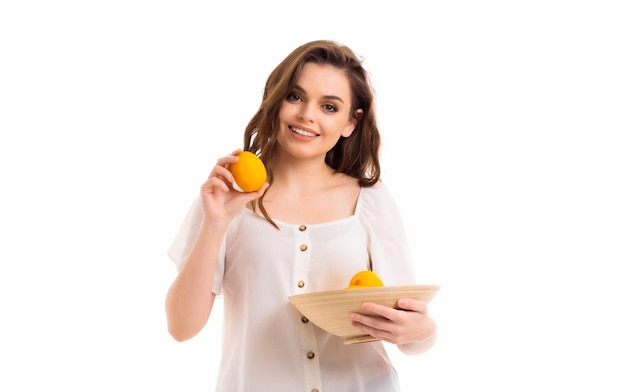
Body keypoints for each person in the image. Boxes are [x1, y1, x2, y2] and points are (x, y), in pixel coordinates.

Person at [165, 39, 437, 392]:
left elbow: (410, 326)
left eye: (328, 106)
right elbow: (181, 328)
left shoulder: (370, 200)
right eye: (295, 96)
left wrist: (423, 332)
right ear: (276, 100)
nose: (307, 114)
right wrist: (215, 225)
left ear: (350, 123)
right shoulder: (226, 198)